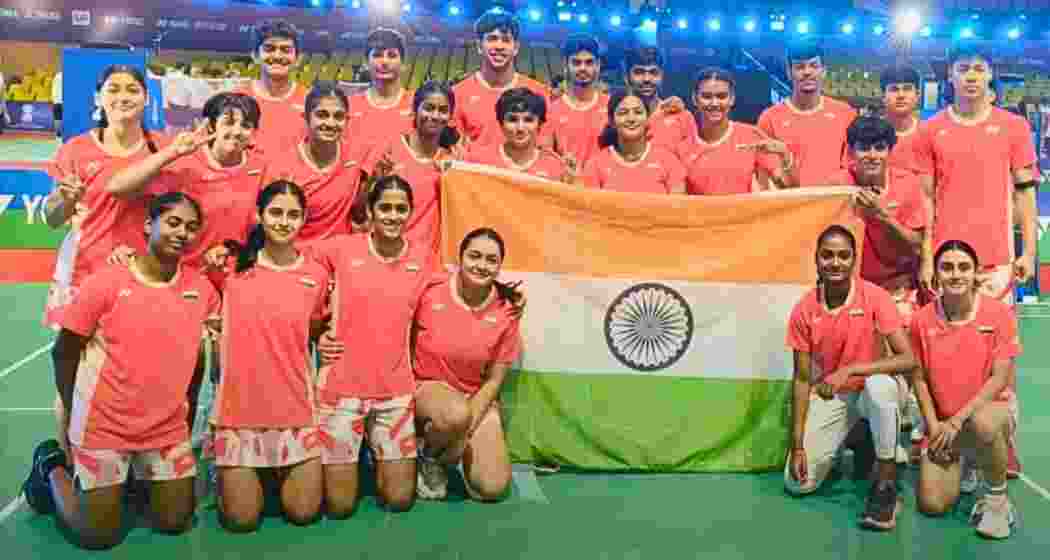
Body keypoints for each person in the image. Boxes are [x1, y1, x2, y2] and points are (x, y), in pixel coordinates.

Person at [21, 192, 217, 550]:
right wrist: (70, 409)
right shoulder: (105, 283)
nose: (182, 233)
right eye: (173, 222)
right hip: (105, 426)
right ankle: (50, 467)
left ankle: (132, 479)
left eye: (191, 227)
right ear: (148, 225)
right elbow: (63, 351)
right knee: (98, 534)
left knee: (176, 521)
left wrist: (185, 417)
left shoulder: (201, 291)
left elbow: (197, 360)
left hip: (164, 428)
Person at [914, 45, 1036, 477]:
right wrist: (928, 256)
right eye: (963, 68)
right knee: (948, 357)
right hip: (949, 264)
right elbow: (926, 199)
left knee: (1001, 361)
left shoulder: (1014, 127)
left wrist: (1028, 251)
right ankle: (950, 439)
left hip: (997, 262)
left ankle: (1005, 445)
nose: (970, 76)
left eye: (979, 69)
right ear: (949, 75)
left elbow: (1024, 191)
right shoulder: (931, 132)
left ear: (990, 76)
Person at [210, 181, 328, 532]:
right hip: (238, 411)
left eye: (293, 215)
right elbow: (174, 260)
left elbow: (317, 328)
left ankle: (275, 473)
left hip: (295, 409)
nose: (283, 221)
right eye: (275, 212)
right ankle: (247, 477)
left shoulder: (316, 276)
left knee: (304, 512)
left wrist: (329, 339)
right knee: (241, 520)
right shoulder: (230, 267)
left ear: (304, 219)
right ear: (259, 216)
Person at [311, 176, 433, 517]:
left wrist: (508, 296)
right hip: (341, 390)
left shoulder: (424, 258)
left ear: (410, 213)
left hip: (395, 392)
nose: (393, 216)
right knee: (339, 506)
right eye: (385, 208)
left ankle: (405, 458)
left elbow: (458, 290)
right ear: (371, 211)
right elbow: (290, 269)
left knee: (399, 501)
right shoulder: (340, 249)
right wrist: (317, 329)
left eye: (401, 209)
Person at [785, 225, 916, 531]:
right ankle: (860, 438)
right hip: (838, 395)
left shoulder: (875, 297)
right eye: (827, 255)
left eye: (844, 255)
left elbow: (908, 359)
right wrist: (799, 445)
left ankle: (886, 485)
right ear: (816, 260)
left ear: (854, 260)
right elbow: (802, 380)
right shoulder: (804, 308)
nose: (835, 262)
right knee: (797, 484)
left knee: (879, 386)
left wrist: (853, 369)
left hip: (876, 389)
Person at [42, 65, 168, 330]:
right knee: (72, 358)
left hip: (143, 271)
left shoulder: (166, 149)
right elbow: (51, 219)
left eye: (133, 90)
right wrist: (66, 201)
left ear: (146, 98)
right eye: (113, 89)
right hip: (83, 271)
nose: (123, 97)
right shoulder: (75, 150)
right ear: (98, 98)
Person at [911, 240, 1021, 539]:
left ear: (975, 274)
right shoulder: (921, 320)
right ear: (936, 275)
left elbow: (999, 378)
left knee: (984, 423)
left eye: (963, 267)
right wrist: (934, 426)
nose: (956, 274)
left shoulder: (999, 314)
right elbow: (918, 378)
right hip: (945, 423)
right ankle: (968, 462)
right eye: (947, 267)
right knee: (932, 504)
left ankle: (998, 503)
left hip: (987, 412)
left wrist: (958, 420)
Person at [413, 228, 523, 502]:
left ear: (499, 267)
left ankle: (450, 446)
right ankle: (428, 455)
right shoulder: (429, 291)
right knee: (454, 414)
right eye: (474, 256)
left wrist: (463, 432)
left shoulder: (507, 309)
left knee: (492, 488)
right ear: (460, 258)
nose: (481, 265)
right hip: (427, 389)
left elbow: (494, 381)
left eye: (490, 260)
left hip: (474, 399)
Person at [104, 93, 266, 274]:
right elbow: (116, 188)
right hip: (182, 276)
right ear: (212, 127)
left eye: (245, 126)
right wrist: (172, 152)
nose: (236, 131)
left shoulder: (261, 167)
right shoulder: (185, 162)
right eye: (228, 123)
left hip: (231, 275)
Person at [823, 117, 926, 313]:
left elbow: (916, 245)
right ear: (851, 152)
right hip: (850, 289)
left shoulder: (907, 183)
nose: (872, 155)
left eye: (879, 148)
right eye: (864, 148)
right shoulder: (835, 185)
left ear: (890, 151)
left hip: (897, 287)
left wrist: (881, 216)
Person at [265, 82, 368, 243]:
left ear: (347, 120)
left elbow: (359, 213)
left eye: (338, 116)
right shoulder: (281, 168)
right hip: (297, 257)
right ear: (305, 117)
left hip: (338, 258)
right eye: (322, 114)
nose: (331, 123)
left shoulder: (356, 156)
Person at [364, 82, 460, 255]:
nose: (435, 115)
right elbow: (359, 214)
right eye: (429, 108)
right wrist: (373, 180)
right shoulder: (388, 150)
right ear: (414, 111)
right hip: (387, 255)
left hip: (429, 261)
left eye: (443, 110)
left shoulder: (452, 160)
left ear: (451, 116)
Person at [680, 68, 794, 194]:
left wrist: (785, 155)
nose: (714, 103)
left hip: (745, 214)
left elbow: (787, 187)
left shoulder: (751, 136)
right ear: (695, 99)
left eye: (721, 96)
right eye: (706, 96)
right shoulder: (683, 147)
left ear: (732, 99)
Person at [757, 42, 856, 187]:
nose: (807, 72)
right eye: (799, 67)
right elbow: (766, 174)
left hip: (832, 203)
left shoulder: (845, 113)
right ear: (789, 73)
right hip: (790, 204)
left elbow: (852, 165)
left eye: (814, 66)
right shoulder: (769, 118)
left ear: (824, 71)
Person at [452, 9, 549, 148]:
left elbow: (544, 148)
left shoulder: (538, 93)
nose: (499, 46)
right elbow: (454, 152)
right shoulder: (458, 94)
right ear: (479, 46)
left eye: (505, 40)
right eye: (492, 39)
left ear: (516, 47)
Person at [581, 89, 686, 194]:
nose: (631, 118)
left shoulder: (668, 162)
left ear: (648, 119)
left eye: (638, 112)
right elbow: (590, 209)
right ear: (611, 121)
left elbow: (678, 207)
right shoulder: (595, 165)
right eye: (623, 113)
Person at [466, 87, 576, 183]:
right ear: (501, 124)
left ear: (539, 125)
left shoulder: (555, 168)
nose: (520, 128)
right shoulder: (478, 162)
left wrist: (572, 181)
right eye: (512, 119)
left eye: (528, 120)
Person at [236, 19, 307, 158]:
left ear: (298, 59)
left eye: (286, 50)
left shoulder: (310, 102)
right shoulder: (234, 99)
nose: (277, 56)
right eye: (269, 49)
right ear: (255, 55)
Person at [345, 28, 415, 157]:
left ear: (403, 64)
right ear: (366, 63)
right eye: (377, 55)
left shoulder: (417, 105)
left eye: (392, 55)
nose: (384, 62)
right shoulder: (349, 106)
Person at [545, 34, 609, 167]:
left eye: (589, 62)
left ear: (598, 65)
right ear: (566, 64)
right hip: (565, 185)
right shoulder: (551, 109)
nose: (583, 68)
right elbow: (545, 155)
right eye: (576, 62)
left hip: (604, 186)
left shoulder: (612, 107)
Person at [621, 46, 697, 151]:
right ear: (626, 77)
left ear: (662, 75)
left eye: (653, 72)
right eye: (639, 72)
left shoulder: (682, 117)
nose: (647, 79)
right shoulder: (617, 118)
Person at [880, 66, 922, 173]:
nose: (901, 95)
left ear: (917, 95)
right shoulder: (866, 133)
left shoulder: (929, 134)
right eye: (894, 89)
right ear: (883, 97)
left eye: (907, 89)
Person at [52, 71, 63, 139]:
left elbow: (53, 87)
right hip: (64, 101)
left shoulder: (57, 75)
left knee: (57, 118)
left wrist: (53, 99)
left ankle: (58, 134)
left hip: (56, 101)